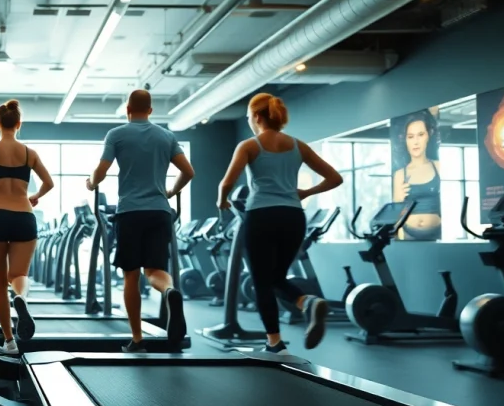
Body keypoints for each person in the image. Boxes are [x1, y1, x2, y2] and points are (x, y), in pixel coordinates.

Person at [217, 93, 343, 355]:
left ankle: (275, 342)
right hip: (293, 217)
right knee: (276, 278)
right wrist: (305, 193)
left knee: (263, 281)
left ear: (258, 117)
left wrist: (222, 201)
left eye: (250, 117)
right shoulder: (298, 146)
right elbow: (334, 178)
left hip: (262, 215)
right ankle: (306, 302)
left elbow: (227, 182)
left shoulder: (249, 145)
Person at [86, 89, 194, 353]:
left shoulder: (117, 134)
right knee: (155, 271)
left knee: (131, 277)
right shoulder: (166, 136)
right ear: (151, 110)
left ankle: (137, 338)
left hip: (130, 212)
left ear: (127, 110)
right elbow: (188, 172)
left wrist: (91, 183)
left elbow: (101, 172)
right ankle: (169, 292)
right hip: (159, 211)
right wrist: (170, 192)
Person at [0, 99, 54, 354]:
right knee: (18, 275)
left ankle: (9, 341)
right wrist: (35, 196)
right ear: (19, 124)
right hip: (23, 216)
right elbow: (49, 183)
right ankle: (21, 297)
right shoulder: (30, 153)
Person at [392, 110, 442, 241]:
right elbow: (395, 214)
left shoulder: (438, 166)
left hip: (437, 232)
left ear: (428, 136)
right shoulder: (399, 174)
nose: (416, 141)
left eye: (420, 135)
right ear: (406, 140)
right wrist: (399, 199)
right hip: (409, 233)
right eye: (410, 136)